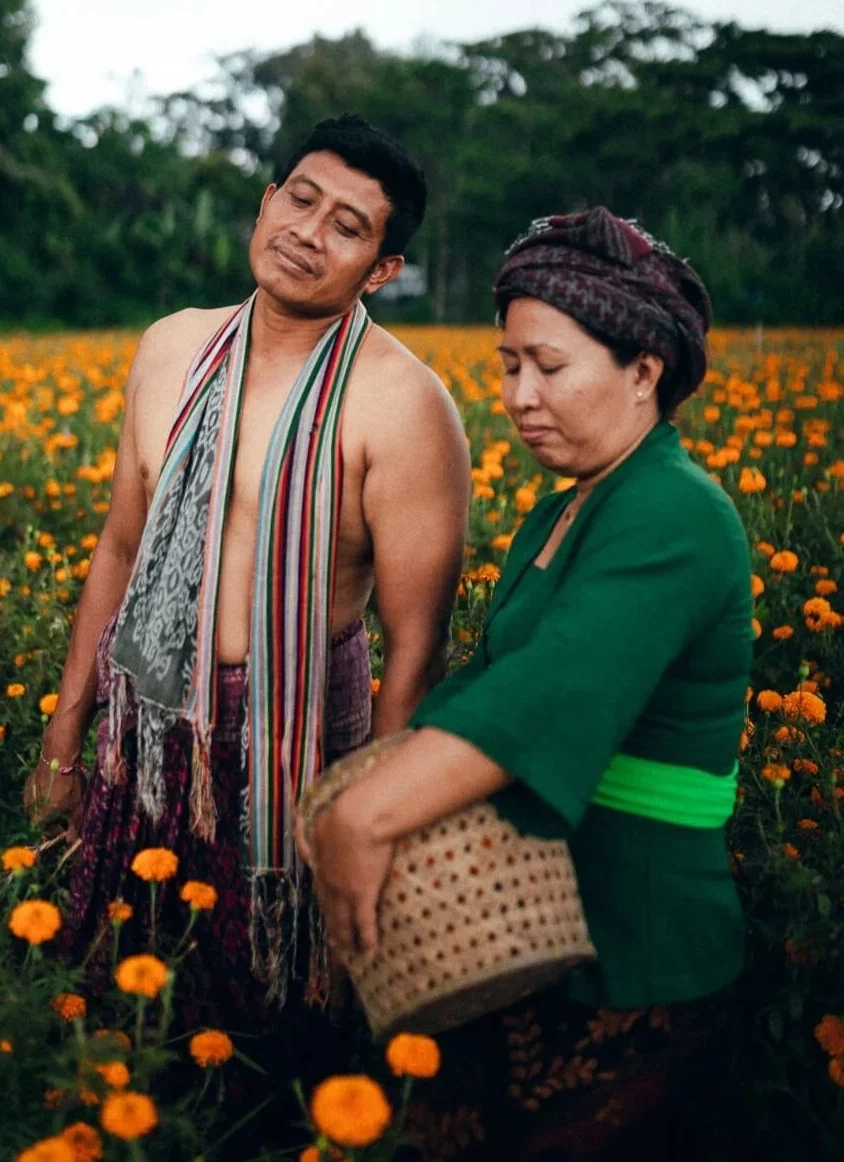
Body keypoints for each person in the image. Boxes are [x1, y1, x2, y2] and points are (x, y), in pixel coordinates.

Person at [305, 206, 753, 1159]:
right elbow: (482, 682)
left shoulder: (674, 512)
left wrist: (369, 813)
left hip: (635, 951)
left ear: (644, 372)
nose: (518, 395)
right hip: (524, 927)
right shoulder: (567, 509)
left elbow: (553, 687)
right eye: (509, 365)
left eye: (548, 366)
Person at [23, 115, 471, 1038]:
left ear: (381, 269)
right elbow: (119, 545)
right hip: (143, 734)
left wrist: (369, 823)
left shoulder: (405, 405)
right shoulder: (170, 347)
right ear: (267, 203)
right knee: (111, 996)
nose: (309, 231)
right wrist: (64, 735)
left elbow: (417, 646)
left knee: (272, 1024)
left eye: (348, 226)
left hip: (295, 744)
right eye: (300, 199)